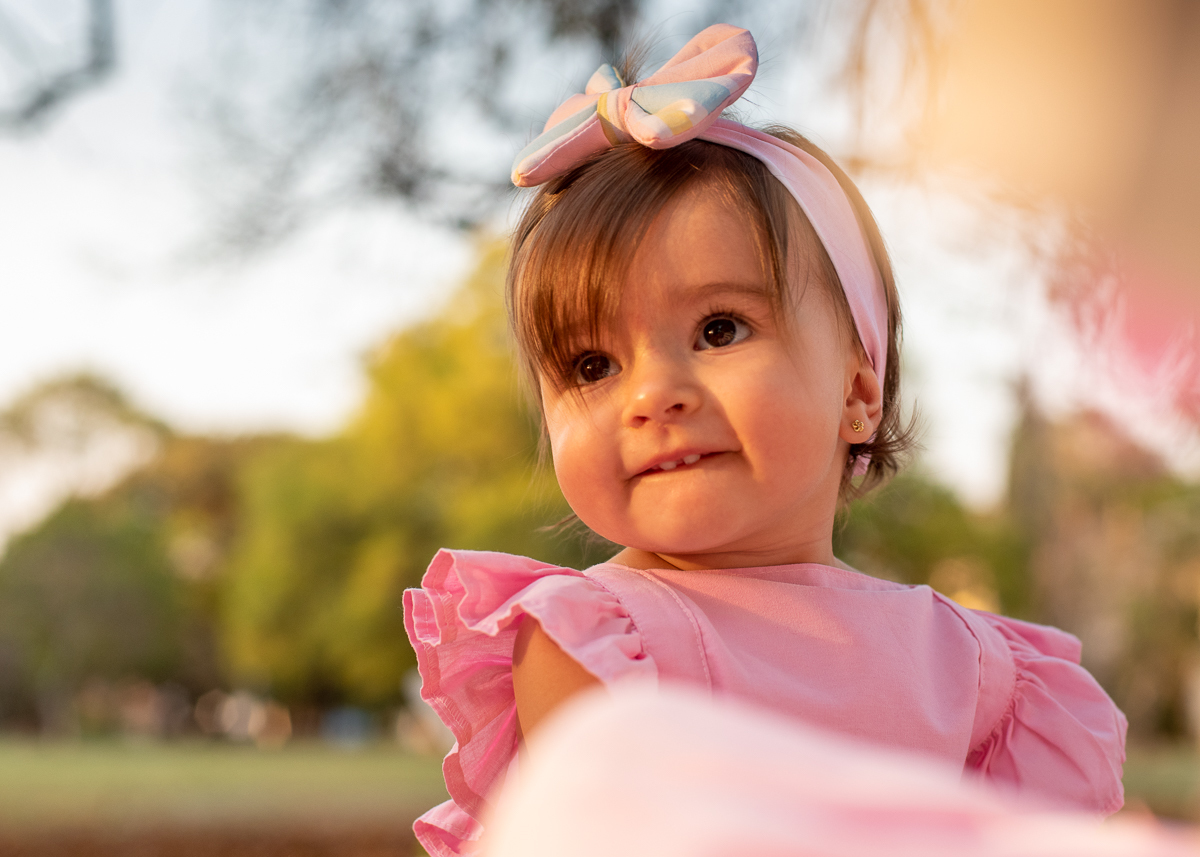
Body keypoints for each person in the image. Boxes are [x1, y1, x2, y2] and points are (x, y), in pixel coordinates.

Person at [403, 24, 1127, 857]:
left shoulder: (979, 670)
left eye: (718, 328)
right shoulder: (597, 640)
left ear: (857, 391)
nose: (653, 394)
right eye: (593, 363)